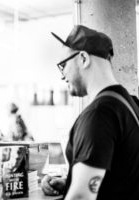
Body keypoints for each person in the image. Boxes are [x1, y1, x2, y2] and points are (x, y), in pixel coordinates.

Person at [41, 25, 139, 200]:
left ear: (83, 58)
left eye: (63, 65)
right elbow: (122, 175)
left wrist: (77, 189)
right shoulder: (130, 103)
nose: (62, 75)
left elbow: (81, 197)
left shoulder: (99, 115)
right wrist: (71, 182)